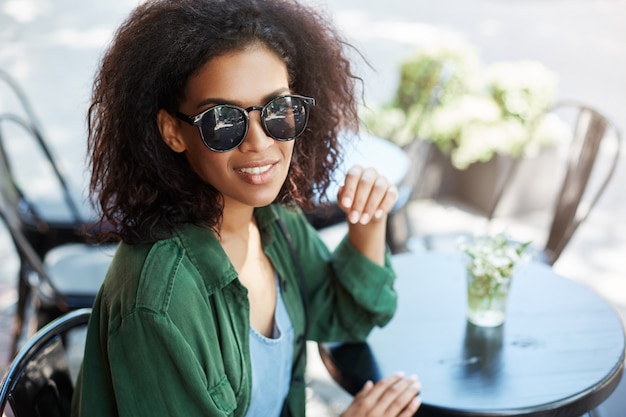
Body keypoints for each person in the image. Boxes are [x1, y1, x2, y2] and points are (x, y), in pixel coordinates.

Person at [71, 0, 422, 416]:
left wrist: (368, 219)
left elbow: (346, 318)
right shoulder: (162, 300)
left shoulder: (273, 221)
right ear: (172, 132)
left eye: (277, 110)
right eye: (223, 119)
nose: (258, 142)